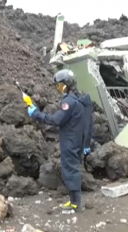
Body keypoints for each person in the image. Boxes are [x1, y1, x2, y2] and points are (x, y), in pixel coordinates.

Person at [28, 69, 87, 212]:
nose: (59, 89)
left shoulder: (68, 102)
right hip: (77, 139)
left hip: (70, 141)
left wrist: (36, 114)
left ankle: (77, 204)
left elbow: (56, 120)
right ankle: (73, 201)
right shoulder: (78, 100)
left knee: (71, 170)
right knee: (72, 169)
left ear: (67, 85)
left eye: (60, 86)